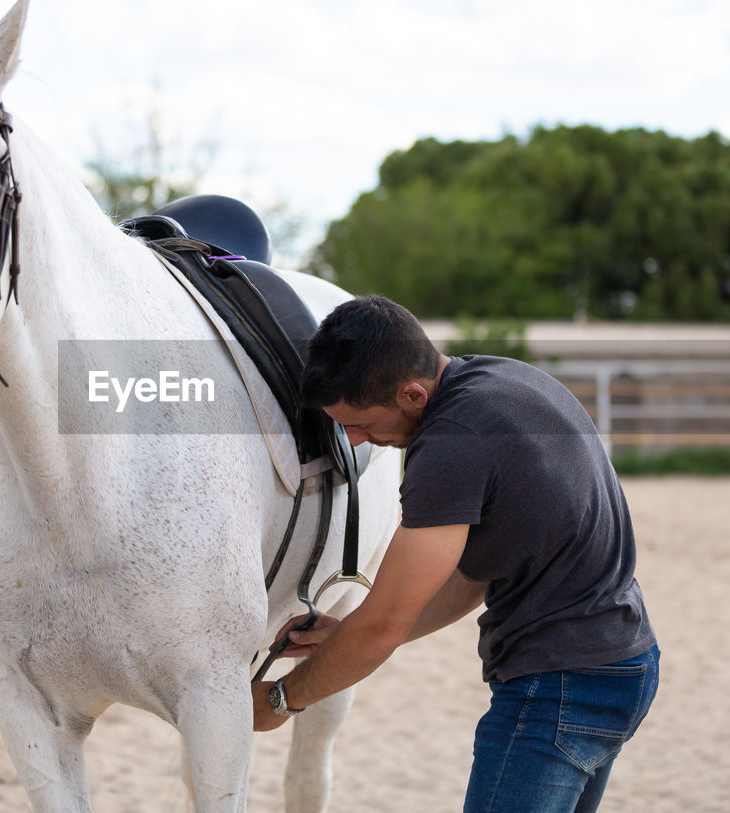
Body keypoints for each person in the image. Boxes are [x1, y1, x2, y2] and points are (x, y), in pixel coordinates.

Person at [251, 294, 658, 813]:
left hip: (558, 687)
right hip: (624, 660)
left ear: (413, 394)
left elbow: (382, 628)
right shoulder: (503, 381)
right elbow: (472, 574)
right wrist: (343, 633)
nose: (354, 441)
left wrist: (282, 700)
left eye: (362, 425)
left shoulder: (451, 444)